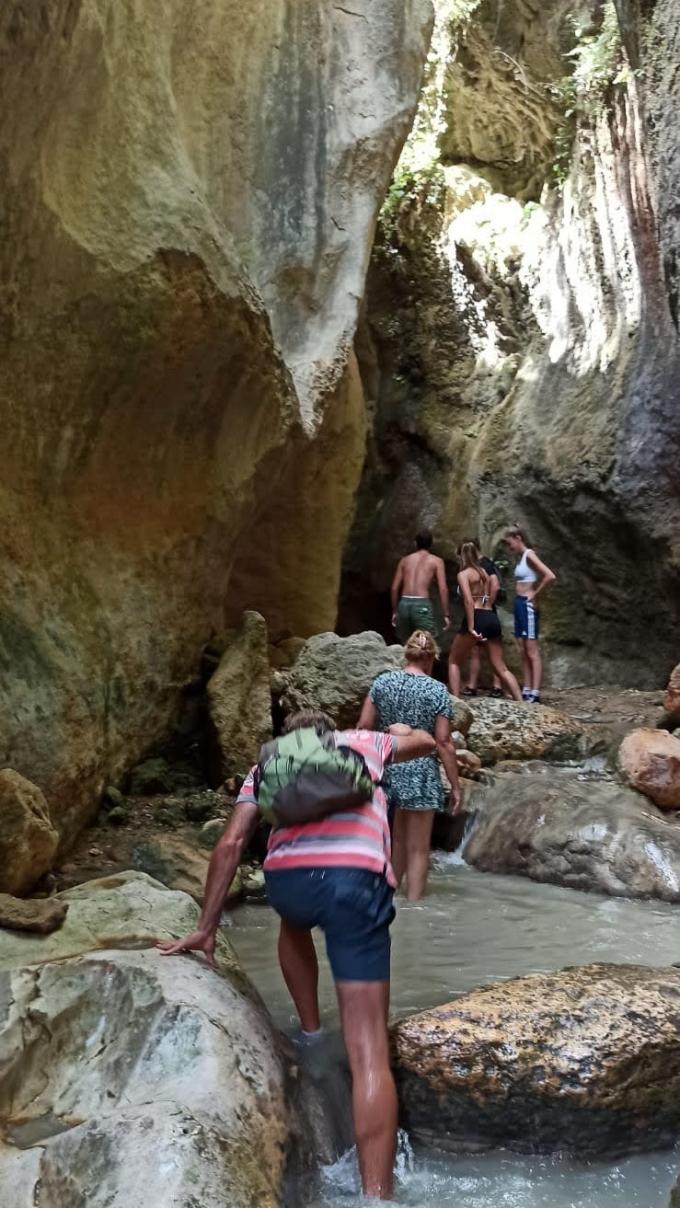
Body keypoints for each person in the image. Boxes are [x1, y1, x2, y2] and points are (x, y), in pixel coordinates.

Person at [157, 708, 436, 1201]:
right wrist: (401, 733)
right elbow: (427, 745)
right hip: (354, 882)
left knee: (293, 923)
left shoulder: (268, 766)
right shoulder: (361, 743)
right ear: (329, 734)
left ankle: (309, 1031)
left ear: (288, 741)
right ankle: (376, 1195)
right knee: (369, 1050)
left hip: (288, 885)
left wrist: (206, 927)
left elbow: (232, 843)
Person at [357, 630, 462, 901]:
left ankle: (389, 901)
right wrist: (455, 784)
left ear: (407, 654)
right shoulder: (437, 690)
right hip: (422, 773)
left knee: (397, 842)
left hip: (388, 767)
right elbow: (443, 741)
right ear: (431, 659)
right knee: (418, 848)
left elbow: (364, 727)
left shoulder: (382, 683)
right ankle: (415, 907)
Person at [448, 541, 522, 702]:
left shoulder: (463, 574)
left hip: (476, 617)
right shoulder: (484, 573)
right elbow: (488, 598)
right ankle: (522, 702)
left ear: (462, 556)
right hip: (490, 616)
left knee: (453, 661)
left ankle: (455, 706)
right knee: (501, 667)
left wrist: (471, 626)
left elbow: (468, 600)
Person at [504, 526, 556, 703]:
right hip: (519, 604)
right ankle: (526, 687)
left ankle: (535, 691)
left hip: (527, 605)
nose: (508, 547)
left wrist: (535, 593)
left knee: (532, 649)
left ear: (518, 538)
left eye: (509, 542)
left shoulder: (529, 555)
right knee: (522, 649)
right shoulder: (520, 559)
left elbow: (549, 575)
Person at [461, 537, 504, 698]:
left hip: (482, 612)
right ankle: (473, 685)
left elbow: (495, 585)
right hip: (483, 611)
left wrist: (487, 603)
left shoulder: (485, 564)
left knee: (491, 651)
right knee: (476, 649)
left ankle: (497, 685)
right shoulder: (478, 566)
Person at [391, 529, 449, 644]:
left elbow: (394, 588)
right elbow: (443, 589)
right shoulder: (437, 561)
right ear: (431, 544)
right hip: (422, 605)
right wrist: (446, 614)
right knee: (427, 644)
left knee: (407, 644)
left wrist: (395, 611)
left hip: (404, 604)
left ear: (415, 543)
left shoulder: (405, 560)